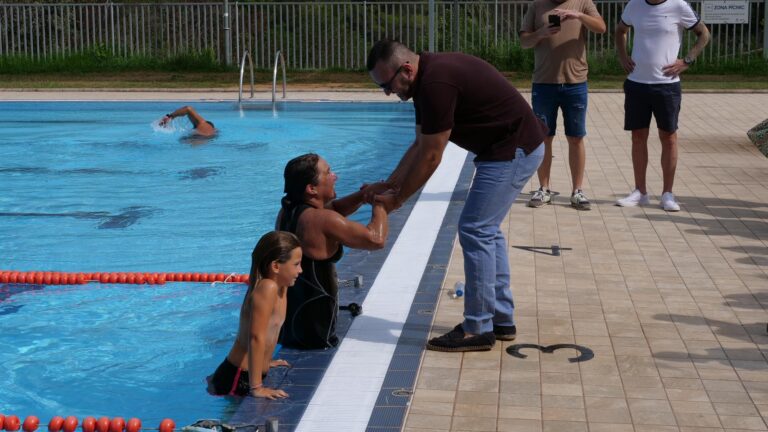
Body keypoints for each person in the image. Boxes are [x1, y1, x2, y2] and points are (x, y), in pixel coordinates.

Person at [365, 39, 547, 352]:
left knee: (475, 229)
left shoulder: (436, 83)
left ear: (406, 69)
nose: (388, 92)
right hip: (505, 149)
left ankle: (477, 327)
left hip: (514, 149)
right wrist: (391, 183)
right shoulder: (426, 79)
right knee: (486, 232)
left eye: (388, 84)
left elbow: (432, 157)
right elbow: (420, 144)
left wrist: (397, 200)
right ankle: (501, 319)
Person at [277, 153, 388, 349]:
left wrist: (364, 195)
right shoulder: (322, 220)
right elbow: (376, 240)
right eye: (328, 173)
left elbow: (334, 208)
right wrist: (380, 203)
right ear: (311, 188)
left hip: (290, 326)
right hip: (317, 333)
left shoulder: (289, 210)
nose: (335, 176)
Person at [615, 0, 710, 211]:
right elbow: (620, 30)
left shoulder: (679, 6)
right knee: (638, 138)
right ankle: (640, 192)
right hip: (637, 83)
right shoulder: (634, 5)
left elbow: (704, 34)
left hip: (667, 86)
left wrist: (686, 61)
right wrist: (622, 55)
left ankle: (668, 194)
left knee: (668, 138)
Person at [520, 0, 606, 210]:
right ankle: (544, 189)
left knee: (576, 137)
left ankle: (577, 191)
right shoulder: (537, 5)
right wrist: (541, 33)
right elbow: (524, 41)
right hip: (544, 82)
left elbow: (601, 28)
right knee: (543, 137)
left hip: (575, 82)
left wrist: (578, 16)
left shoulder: (583, 2)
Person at [208, 231, 302, 399]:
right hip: (237, 377)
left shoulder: (282, 287)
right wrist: (257, 388)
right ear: (276, 266)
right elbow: (256, 337)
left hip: (246, 374)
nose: (300, 270)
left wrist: (266, 362)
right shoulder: (267, 288)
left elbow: (269, 333)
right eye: (296, 264)